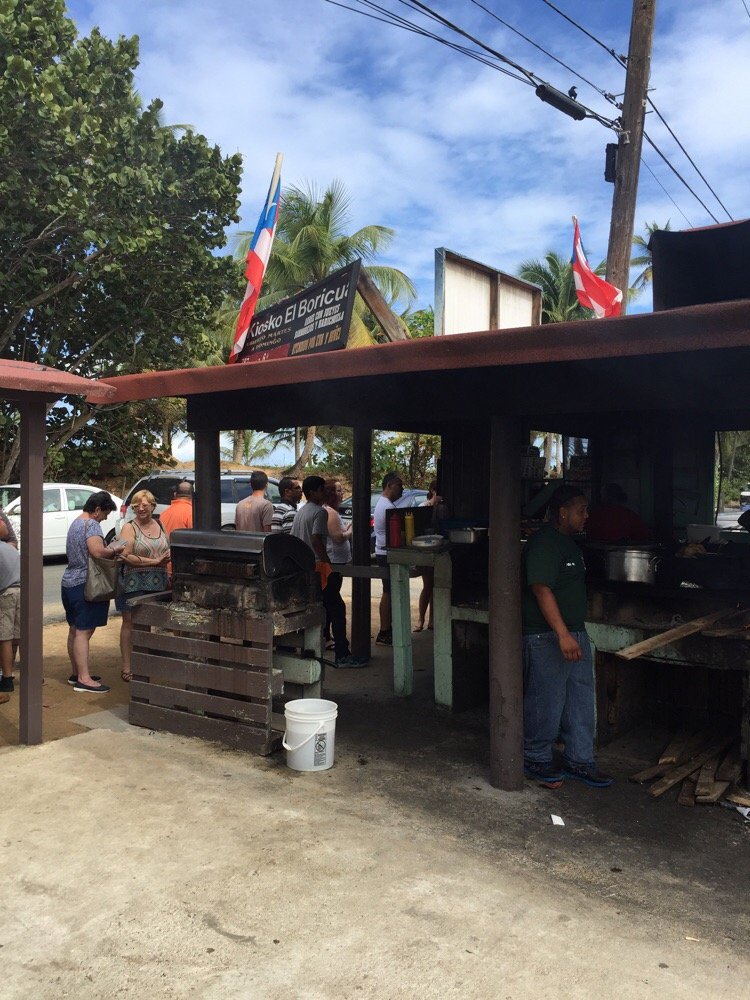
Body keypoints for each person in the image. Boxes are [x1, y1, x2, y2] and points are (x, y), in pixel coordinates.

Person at [522, 485, 612, 789]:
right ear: (562, 513)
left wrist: (572, 633)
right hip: (547, 636)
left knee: (580, 698)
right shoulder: (544, 543)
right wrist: (562, 634)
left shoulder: (569, 544)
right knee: (547, 698)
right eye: (581, 510)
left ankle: (579, 759)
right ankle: (535, 756)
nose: (586, 515)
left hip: (574, 632)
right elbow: (541, 588)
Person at [60, 490, 121, 693]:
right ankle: (84, 679)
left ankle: (77, 673)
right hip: (87, 583)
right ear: (97, 510)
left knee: (75, 629)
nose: (104, 518)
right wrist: (114, 549)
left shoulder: (76, 523)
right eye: (105, 514)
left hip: (70, 582)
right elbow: (97, 551)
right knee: (83, 631)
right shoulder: (92, 525)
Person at [117, 490, 170, 683]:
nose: (140, 509)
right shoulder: (129, 528)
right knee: (130, 622)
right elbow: (125, 556)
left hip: (158, 582)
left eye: (145, 505)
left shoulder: (160, 524)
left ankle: (144, 662)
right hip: (133, 583)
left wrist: (165, 559)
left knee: (149, 623)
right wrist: (154, 562)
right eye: (136, 506)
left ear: (153, 507)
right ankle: (127, 666)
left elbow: (166, 548)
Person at [321, 478, 367, 668]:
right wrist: (350, 532)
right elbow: (338, 538)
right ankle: (342, 652)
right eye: (339, 490)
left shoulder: (328, 511)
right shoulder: (330, 513)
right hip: (333, 565)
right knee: (336, 607)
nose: (342, 494)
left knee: (329, 605)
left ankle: (326, 638)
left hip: (335, 564)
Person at [372, 472, 403, 645]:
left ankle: (388, 629)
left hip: (385, 552)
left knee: (390, 591)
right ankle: (384, 631)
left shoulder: (386, 504)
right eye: (399, 485)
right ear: (390, 485)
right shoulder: (386, 507)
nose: (402, 489)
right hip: (385, 553)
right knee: (388, 591)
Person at [415, 480, 442, 631]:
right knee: (427, 586)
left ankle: (432, 619)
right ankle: (421, 618)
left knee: (436, 587)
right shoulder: (423, 507)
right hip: (425, 550)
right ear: (433, 491)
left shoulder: (442, 508)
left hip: (438, 550)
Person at [585, 483, 651, 544]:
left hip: (598, 551)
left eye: (602, 495)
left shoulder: (596, 515)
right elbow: (643, 537)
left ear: (606, 496)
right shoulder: (631, 516)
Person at [0, 519, 20, 696]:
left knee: (4, 637)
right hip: (22, 590)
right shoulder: (9, 548)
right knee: (19, 635)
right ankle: (33, 675)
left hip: (7, 593)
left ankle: (6, 679)